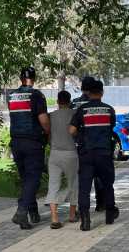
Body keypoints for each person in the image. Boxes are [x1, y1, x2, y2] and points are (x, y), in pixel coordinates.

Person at [69, 80, 119, 231]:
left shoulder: (82, 110)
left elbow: (71, 131)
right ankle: (110, 214)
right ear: (102, 93)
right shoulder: (109, 110)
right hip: (104, 152)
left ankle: (85, 220)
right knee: (107, 183)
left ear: (88, 93)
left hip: (87, 153)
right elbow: (110, 129)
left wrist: (81, 134)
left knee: (84, 186)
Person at [8, 67, 51, 230]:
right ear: (34, 78)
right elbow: (44, 121)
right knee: (33, 178)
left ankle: (33, 213)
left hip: (16, 142)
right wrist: (49, 133)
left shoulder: (11, 96)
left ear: (20, 78)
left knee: (26, 178)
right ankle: (21, 212)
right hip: (32, 142)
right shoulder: (37, 95)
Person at [44, 91, 79, 229]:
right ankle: (72, 215)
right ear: (70, 102)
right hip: (71, 155)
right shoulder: (75, 114)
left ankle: (54, 218)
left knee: (53, 186)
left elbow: (49, 140)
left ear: (57, 102)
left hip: (55, 155)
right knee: (74, 184)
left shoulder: (51, 116)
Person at [71, 76, 106, 212]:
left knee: (83, 177)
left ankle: (82, 206)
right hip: (97, 144)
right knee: (98, 176)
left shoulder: (74, 103)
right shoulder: (98, 104)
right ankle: (100, 202)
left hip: (79, 144)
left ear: (81, 88)